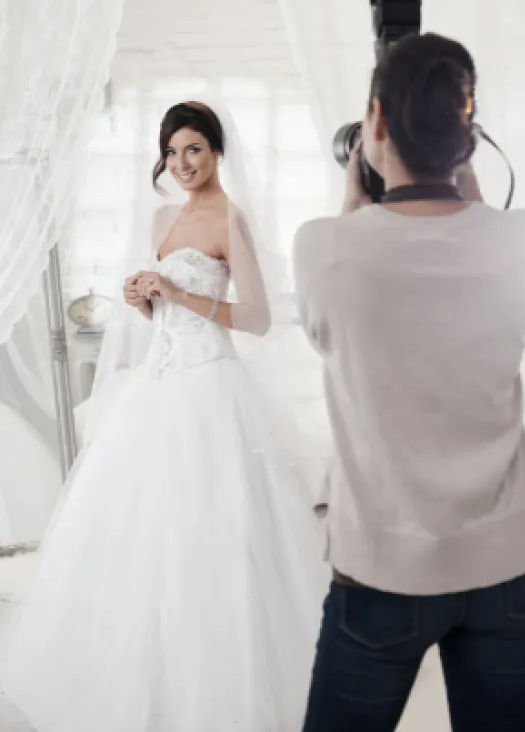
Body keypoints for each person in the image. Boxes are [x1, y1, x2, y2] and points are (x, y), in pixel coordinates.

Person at [0, 101, 325, 732]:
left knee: (217, 534)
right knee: (140, 533)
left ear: (218, 151)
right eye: (172, 152)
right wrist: (147, 302)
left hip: (212, 389)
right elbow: (169, 321)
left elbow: (256, 319)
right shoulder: (160, 219)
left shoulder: (232, 219)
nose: (181, 164)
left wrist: (176, 292)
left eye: (193, 150)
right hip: (158, 386)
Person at [293, 33, 525, 732]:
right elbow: (482, 237)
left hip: (383, 570)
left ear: (375, 124)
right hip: (509, 564)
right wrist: (460, 183)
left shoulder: (324, 248)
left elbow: (329, 317)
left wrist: (355, 192)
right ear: (469, 134)